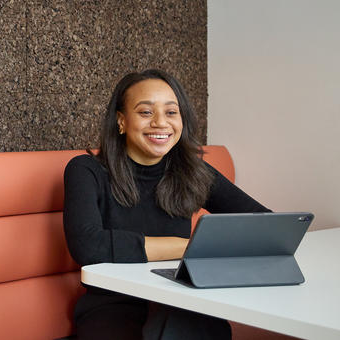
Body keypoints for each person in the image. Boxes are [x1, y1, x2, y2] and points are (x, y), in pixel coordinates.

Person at [63, 69, 271, 340]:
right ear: (121, 121)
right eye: (146, 112)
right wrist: (189, 248)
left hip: (183, 300)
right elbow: (88, 246)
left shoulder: (193, 171)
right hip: (113, 306)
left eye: (171, 112)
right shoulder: (86, 170)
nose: (161, 123)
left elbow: (263, 222)